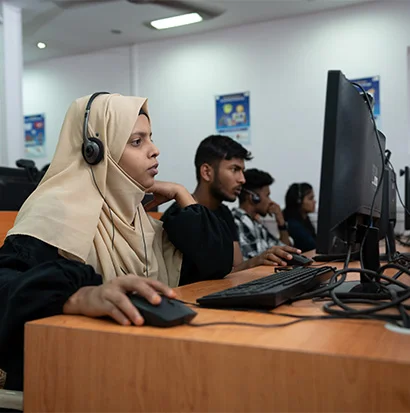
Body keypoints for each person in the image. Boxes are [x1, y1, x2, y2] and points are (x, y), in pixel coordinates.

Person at [0, 93, 233, 391]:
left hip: (136, 365)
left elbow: (216, 263)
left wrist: (180, 193)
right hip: (76, 378)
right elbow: (6, 285)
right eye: (137, 141)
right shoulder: (56, 210)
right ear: (94, 152)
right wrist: (77, 296)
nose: (155, 150)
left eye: (150, 138)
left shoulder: (138, 216)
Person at [162, 135, 299, 282]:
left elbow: (234, 269)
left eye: (242, 171)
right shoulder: (179, 215)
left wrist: (261, 259)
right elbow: (197, 279)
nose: (242, 179)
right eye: (235, 169)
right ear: (207, 172)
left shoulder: (224, 212)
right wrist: (256, 260)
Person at [232, 168, 291, 260]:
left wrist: (281, 223)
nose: (270, 201)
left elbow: (286, 253)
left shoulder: (257, 226)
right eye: (267, 195)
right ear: (254, 197)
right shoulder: (236, 223)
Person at [283, 182, 317, 252]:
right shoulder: (293, 225)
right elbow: (312, 245)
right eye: (310, 198)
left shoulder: (305, 220)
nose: (314, 201)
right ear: (299, 201)